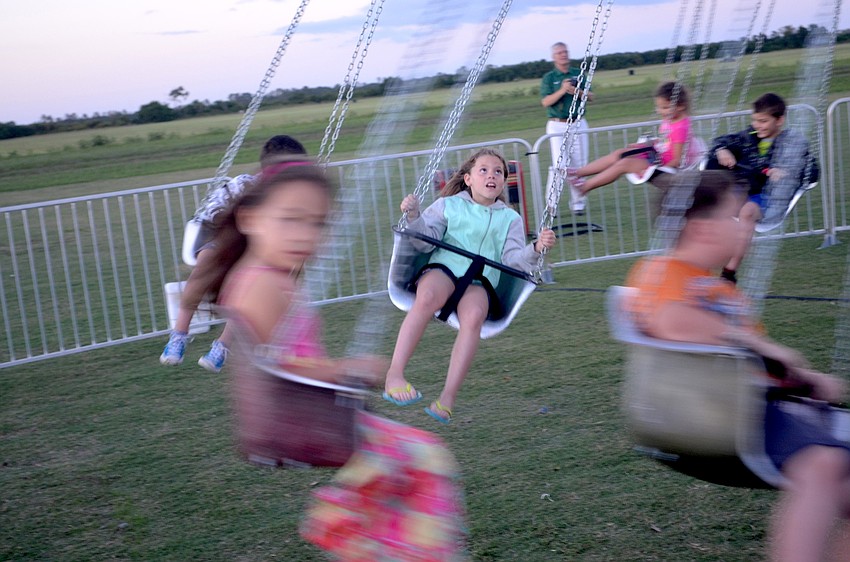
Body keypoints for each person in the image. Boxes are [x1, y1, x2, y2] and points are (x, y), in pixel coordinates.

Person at [211, 159, 467, 560]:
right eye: (290, 219)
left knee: (410, 463)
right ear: (250, 219)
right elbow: (278, 367)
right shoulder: (261, 282)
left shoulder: (266, 274)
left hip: (319, 411)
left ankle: (364, 529)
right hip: (303, 415)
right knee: (426, 458)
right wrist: (349, 369)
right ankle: (345, 520)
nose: (305, 236)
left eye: (318, 224)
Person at [625, 170, 849, 562]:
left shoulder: (715, 287)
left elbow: (761, 365)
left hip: (754, 403)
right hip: (719, 414)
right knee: (823, 463)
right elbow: (670, 321)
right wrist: (757, 344)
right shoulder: (662, 272)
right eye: (736, 216)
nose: (746, 226)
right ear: (702, 229)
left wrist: (805, 378)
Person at [384, 148, 557, 424]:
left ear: (503, 182)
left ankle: (447, 398)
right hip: (444, 268)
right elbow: (425, 242)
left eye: (498, 172)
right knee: (427, 297)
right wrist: (415, 215)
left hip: (481, 280)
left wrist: (535, 249)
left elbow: (512, 260)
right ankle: (394, 375)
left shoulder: (510, 219)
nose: (492, 176)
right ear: (468, 179)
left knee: (475, 316)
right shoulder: (448, 205)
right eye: (484, 170)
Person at [159, 134, 307, 371]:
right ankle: (179, 335)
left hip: (257, 253)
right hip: (222, 242)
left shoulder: (294, 197)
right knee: (205, 266)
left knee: (252, 292)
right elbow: (212, 214)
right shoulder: (243, 184)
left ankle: (221, 346)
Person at [704, 93, 820, 284]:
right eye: (755, 120)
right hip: (742, 191)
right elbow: (720, 141)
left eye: (763, 121)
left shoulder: (792, 143)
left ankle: (729, 273)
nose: (757, 125)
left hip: (768, 199)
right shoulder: (749, 137)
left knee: (747, 212)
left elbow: (812, 170)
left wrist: (786, 172)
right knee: (709, 206)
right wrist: (721, 150)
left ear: (779, 120)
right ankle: (703, 263)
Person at [568, 81, 701, 197]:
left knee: (624, 164)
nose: (660, 111)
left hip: (663, 165)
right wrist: (644, 146)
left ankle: (585, 187)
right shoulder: (670, 120)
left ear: (681, 105)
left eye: (665, 108)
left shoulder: (680, 128)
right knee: (620, 154)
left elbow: (677, 160)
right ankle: (579, 172)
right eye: (659, 107)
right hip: (656, 155)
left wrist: (656, 171)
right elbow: (666, 142)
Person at [540, 42, 594, 214]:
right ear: (553, 57)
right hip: (557, 124)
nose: (563, 55)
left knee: (580, 163)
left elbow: (591, 96)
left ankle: (578, 203)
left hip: (578, 122)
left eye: (565, 52)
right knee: (559, 164)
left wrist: (577, 91)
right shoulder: (549, 77)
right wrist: (563, 90)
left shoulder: (579, 73)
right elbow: (545, 102)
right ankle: (551, 205)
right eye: (559, 53)